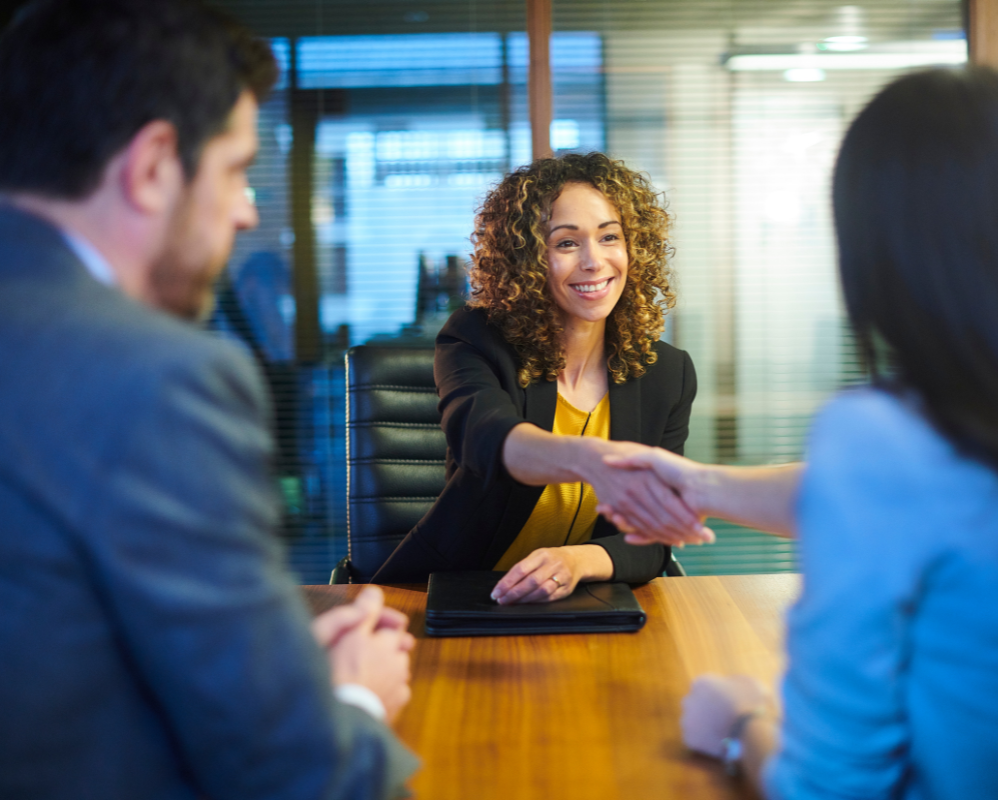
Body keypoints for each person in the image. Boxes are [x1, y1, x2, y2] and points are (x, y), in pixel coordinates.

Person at [607, 66, 998, 799]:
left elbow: (827, 787)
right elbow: (931, 499)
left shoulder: (884, 439)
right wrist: (699, 485)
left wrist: (736, 725)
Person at [0, 1, 417, 797]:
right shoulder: (153, 377)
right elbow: (300, 778)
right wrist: (354, 699)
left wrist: (267, 660)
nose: (249, 208)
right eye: (235, 169)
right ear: (154, 165)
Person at [373, 152, 712, 602]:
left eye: (610, 237)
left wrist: (576, 561)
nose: (594, 262)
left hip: (580, 600)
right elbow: (489, 441)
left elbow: (651, 541)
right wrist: (590, 459)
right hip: (456, 591)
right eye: (566, 243)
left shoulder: (666, 373)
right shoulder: (474, 339)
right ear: (527, 259)